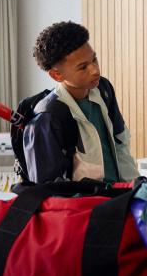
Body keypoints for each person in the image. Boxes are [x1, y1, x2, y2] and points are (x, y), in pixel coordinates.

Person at [24, 21, 138, 183]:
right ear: (57, 75)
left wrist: (135, 187)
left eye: (94, 59)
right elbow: (48, 187)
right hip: (86, 199)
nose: (95, 70)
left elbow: (121, 143)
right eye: (83, 67)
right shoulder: (48, 117)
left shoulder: (103, 88)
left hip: (121, 194)